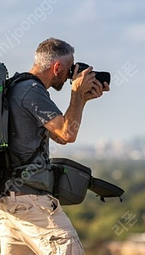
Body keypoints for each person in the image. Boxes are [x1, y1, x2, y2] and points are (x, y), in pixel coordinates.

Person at [0, 37, 109, 254]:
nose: (71, 76)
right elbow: (67, 134)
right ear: (57, 67)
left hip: (10, 207)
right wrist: (76, 94)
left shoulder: (17, 87)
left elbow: (59, 135)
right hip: (33, 206)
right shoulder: (32, 91)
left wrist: (82, 100)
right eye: (70, 69)